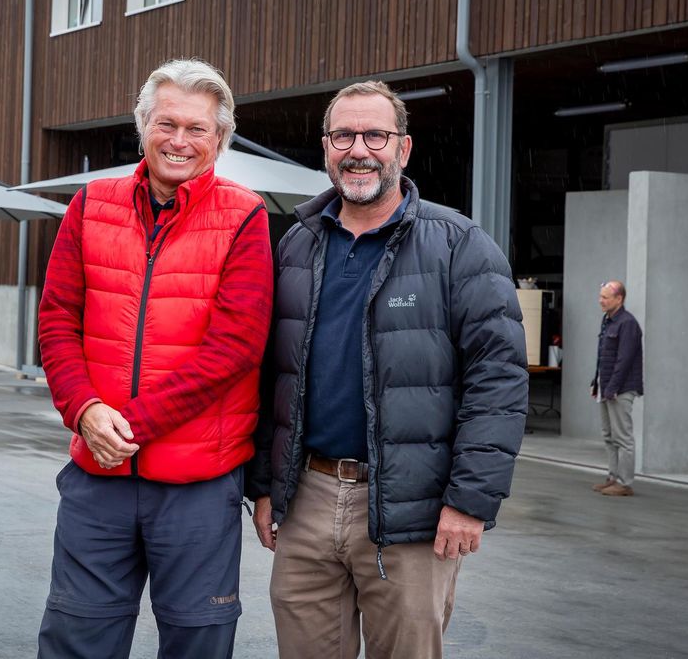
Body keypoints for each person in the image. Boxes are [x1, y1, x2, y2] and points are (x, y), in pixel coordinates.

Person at [247, 80, 528, 659]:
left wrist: (470, 501)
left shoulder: (460, 246)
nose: (359, 149)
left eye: (376, 134)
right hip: (308, 497)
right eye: (343, 135)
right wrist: (267, 485)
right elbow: (271, 375)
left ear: (403, 148)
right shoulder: (297, 244)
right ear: (326, 148)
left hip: (413, 510)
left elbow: (497, 382)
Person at [36, 59, 274, 658]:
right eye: (166, 123)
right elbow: (58, 320)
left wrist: (129, 426)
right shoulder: (90, 205)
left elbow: (235, 348)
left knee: (197, 642)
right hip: (98, 477)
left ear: (219, 139)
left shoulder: (245, 216)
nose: (179, 141)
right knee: (76, 639)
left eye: (197, 129)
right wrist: (86, 410)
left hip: (198, 483)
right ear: (142, 126)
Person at [590, 280, 643, 497]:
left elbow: (625, 360)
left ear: (619, 299)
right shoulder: (608, 321)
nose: (600, 301)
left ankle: (625, 482)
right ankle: (612, 477)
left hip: (620, 389)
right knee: (609, 435)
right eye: (600, 296)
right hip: (607, 387)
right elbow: (604, 357)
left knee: (623, 436)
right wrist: (597, 383)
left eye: (605, 297)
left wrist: (612, 388)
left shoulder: (627, 323)